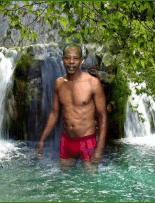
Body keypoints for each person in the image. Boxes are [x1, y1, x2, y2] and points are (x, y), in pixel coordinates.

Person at [36, 43, 107, 172]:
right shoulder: (59, 83)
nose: (71, 62)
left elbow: (102, 115)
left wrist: (100, 148)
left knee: (91, 184)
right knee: (66, 183)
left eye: (75, 58)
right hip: (67, 141)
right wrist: (42, 139)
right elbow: (54, 113)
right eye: (67, 58)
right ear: (62, 59)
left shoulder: (93, 83)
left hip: (88, 141)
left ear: (81, 60)